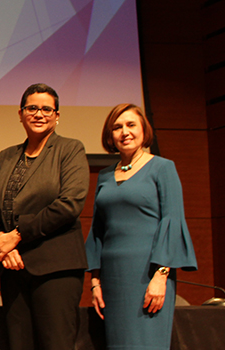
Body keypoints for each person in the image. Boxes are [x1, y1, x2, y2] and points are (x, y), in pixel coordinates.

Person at [0, 83, 89, 350]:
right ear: (20, 114)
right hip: (12, 267)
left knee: (56, 344)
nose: (39, 114)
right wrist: (2, 244)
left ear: (57, 115)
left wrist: (16, 236)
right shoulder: (7, 156)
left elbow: (69, 204)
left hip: (56, 268)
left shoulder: (70, 149)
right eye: (32, 108)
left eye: (46, 109)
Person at [86, 104, 197, 349]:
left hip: (149, 275)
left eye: (130, 125)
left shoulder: (162, 167)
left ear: (143, 130)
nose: (124, 132)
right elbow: (98, 230)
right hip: (113, 278)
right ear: (110, 135)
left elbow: (173, 220)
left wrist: (161, 276)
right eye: (117, 127)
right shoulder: (105, 175)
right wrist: (95, 282)